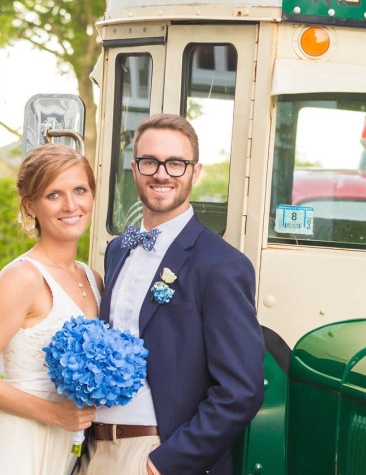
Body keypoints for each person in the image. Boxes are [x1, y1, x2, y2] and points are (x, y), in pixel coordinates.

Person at [78, 114, 264, 475]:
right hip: (94, 449)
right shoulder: (118, 250)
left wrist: (164, 463)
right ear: (135, 170)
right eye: (150, 162)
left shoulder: (222, 265)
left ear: (195, 172)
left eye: (176, 164)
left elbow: (241, 390)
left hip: (155, 452)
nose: (161, 174)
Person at [0, 144, 101, 474]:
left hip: (70, 450)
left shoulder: (94, 278)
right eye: (53, 195)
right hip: (21, 444)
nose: (71, 205)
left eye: (80, 190)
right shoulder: (22, 278)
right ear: (31, 205)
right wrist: (55, 414)